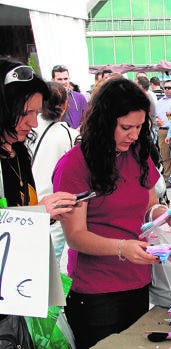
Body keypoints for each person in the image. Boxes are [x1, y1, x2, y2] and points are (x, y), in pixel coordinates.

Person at [52, 77, 171, 348]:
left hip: (139, 282)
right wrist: (121, 248)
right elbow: (76, 236)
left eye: (140, 127)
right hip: (96, 293)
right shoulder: (74, 165)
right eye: (126, 127)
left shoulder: (138, 152)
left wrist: (166, 215)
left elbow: (150, 206)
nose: (134, 135)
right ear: (104, 122)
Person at [0, 59, 78, 348]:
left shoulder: (17, 152)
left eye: (36, 112)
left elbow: (21, 215)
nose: (34, 122)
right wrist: (36, 214)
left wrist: (45, 214)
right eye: (26, 113)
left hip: (24, 287)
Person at [28, 81, 80, 265]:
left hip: (25, 208)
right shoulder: (68, 135)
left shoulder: (26, 127)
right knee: (49, 265)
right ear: (65, 105)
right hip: (53, 210)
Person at [155, 79, 171, 188]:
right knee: (165, 155)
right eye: (165, 88)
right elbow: (154, 117)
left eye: (169, 88)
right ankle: (167, 177)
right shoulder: (159, 102)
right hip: (163, 130)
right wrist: (156, 121)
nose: (167, 90)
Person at [52, 64, 88, 129]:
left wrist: (78, 130)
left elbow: (87, 118)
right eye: (59, 79)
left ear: (69, 79)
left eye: (65, 79)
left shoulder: (80, 97)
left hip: (77, 136)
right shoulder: (48, 99)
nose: (63, 82)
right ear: (53, 80)